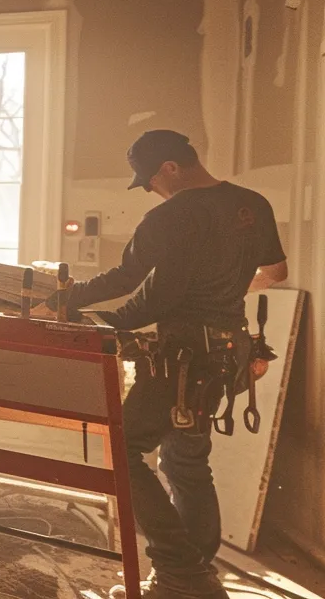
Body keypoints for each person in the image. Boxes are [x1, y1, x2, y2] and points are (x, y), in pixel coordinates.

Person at [56, 130, 285, 599]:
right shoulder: (252, 204)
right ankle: (195, 581)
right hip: (226, 354)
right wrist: (230, 288)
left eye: (150, 180)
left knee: (124, 452)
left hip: (181, 358)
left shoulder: (171, 215)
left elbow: (129, 280)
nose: (152, 190)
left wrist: (65, 302)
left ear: (170, 169)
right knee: (187, 463)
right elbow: (277, 273)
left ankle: (181, 573)